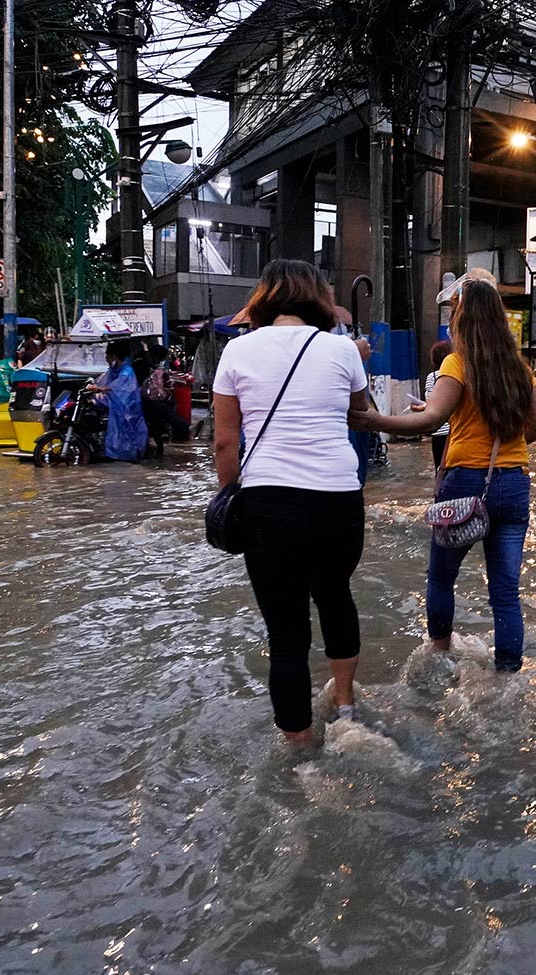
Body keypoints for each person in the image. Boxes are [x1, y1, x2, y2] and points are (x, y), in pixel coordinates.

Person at [351, 275, 536, 673]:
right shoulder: (519, 367)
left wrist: (375, 420)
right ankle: (508, 673)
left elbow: (434, 420)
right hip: (512, 483)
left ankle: (439, 657)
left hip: (465, 481)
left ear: (463, 319)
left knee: (442, 577)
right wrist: (505, 438)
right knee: (506, 593)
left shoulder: (457, 363)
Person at [213, 259, 372, 746]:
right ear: (318, 298)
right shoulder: (342, 349)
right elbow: (360, 414)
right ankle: (344, 704)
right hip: (338, 500)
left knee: (285, 632)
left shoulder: (237, 351)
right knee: (335, 595)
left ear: (264, 297)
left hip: (269, 503)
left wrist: (230, 494)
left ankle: (299, 747)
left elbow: (225, 443)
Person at [90, 339, 150, 462]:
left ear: (114, 356)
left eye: (107, 355)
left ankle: (127, 454)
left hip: (128, 406)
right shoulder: (113, 369)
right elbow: (103, 379)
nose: (106, 358)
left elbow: (118, 385)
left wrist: (101, 388)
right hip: (115, 401)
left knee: (125, 428)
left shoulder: (127, 371)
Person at [424, 339, 453, 470]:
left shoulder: (433, 377)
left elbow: (430, 401)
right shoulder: (458, 375)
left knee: (440, 469)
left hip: (438, 432)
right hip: (455, 432)